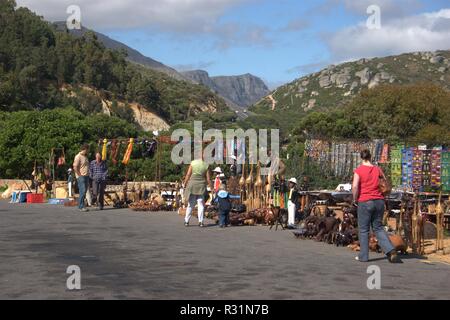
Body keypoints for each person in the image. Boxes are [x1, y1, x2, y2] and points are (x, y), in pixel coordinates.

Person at [352, 149, 402, 263]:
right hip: (379, 201)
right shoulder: (377, 169)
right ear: (370, 157)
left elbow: (355, 187)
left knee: (364, 230)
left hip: (365, 201)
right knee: (378, 228)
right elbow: (385, 182)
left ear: (361, 158)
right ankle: (390, 250)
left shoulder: (358, 170)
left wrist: (355, 199)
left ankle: (363, 256)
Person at [183, 157, 213, 227]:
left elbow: (188, 175)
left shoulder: (193, 163)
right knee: (201, 204)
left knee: (190, 204)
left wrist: (185, 183)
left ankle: (186, 221)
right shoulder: (206, 165)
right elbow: (208, 179)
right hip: (201, 186)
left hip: (192, 185)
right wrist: (212, 188)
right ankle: (201, 221)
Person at [73, 144, 90, 212]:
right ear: (85, 149)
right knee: (82, 191)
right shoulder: (78, 156)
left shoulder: (85, 157)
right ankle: (81, 206)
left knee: (84, 191)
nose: (88, 151)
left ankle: (82, 205)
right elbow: (75, 167)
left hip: (86, 176)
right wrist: (79, 175)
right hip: (81, 176)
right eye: (88, 149)